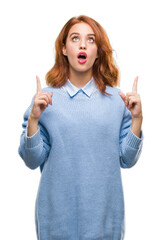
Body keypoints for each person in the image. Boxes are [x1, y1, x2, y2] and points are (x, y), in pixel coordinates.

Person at [18, 15, 143, 240]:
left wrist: (137, 120)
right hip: (56, 223)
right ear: (64, 49)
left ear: (98, 51)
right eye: (75, 38)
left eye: (91, 40)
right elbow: (31, 160)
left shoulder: (118, 100)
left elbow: (127, 159)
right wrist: (34, 121)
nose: (83, 44)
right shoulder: (45, 100)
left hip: (106, 223)